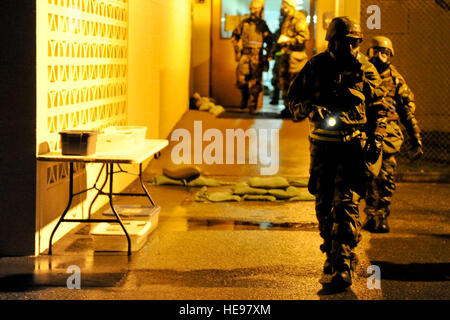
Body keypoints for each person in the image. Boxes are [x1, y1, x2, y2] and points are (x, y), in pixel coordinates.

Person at [287, 17, 387, 289]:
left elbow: (380, 107)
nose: (353, 48)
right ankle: (331, 254)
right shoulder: (316, 66)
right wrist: (310, 108)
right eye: (348, 42)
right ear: (334, 41)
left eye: (356, 43)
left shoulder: (366, 69)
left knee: (346, 205)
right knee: (323, 206)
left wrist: (376, 139)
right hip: (321, 149)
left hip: (351, 148)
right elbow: (293, 98)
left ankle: (344, 262)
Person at [363, 36, 423, 233]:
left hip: (388, 134)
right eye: (375, 51)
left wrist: (416, 138)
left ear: (390, 55)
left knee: (386, 176)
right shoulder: (360, 73)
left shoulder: (396, 80)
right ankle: (370, 214)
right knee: (367, 175)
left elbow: (406, 111)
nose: (380, 57)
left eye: (385, 53)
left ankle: (381, 215)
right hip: (365, 131)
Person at [231, 0, 273, 114]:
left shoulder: (263, 25)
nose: (254, 11)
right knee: (241, 80)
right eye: (252, 8)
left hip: (257, 56)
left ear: (260, 10)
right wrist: (237, 50)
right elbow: (234, 37)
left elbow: (270, 40)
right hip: (245, 55)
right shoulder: (244, 23)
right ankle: (244, 98)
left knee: (255, 82)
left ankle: (252, 105)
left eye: (256, 8)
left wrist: (268, 54)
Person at [277, 0, 310, 115]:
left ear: (289, 6)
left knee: (295, 85)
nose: (282, 7)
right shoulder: (287, 19)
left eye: (284, 5)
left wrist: (288, 40)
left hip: (296, 58)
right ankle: (288, 109)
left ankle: (297, 111)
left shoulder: (298, 18)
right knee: (285, 83)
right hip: (287, 57)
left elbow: (304, 37)